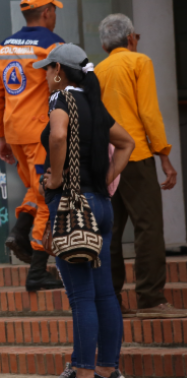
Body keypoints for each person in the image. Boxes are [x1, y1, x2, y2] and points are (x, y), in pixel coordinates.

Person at [35, 43, 134, 378]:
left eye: (48, 69)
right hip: (102, 208)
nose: (46, 75)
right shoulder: (94, 104)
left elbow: (58, 136)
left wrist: (57, 179)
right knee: (105, 293)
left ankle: (83, 372)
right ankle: (107, 370)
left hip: (74, 209)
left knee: (81, 298)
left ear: (59, 71)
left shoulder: (62, 100)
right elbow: (127, 143)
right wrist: (105, 178)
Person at [97, 14, 187, 319]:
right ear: (131, 38)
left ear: (104, 44)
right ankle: (150, 298)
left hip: (106, 160)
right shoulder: (138, 62)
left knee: (110, 231)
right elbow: (148, 112)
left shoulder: (97, 71)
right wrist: (163, 154)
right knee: (148, 227)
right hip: (134, 156)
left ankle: (111, 301)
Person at [0, 0, 64, 291]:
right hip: (42, 133)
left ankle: (19, 234)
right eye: (54, 10)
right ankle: (37, 271)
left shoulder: (5, 47)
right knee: (48, 194)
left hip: (16, 133)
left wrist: (2, 136)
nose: (54, 14)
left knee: (35, 186)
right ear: (46, 12)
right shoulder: (53, 46)